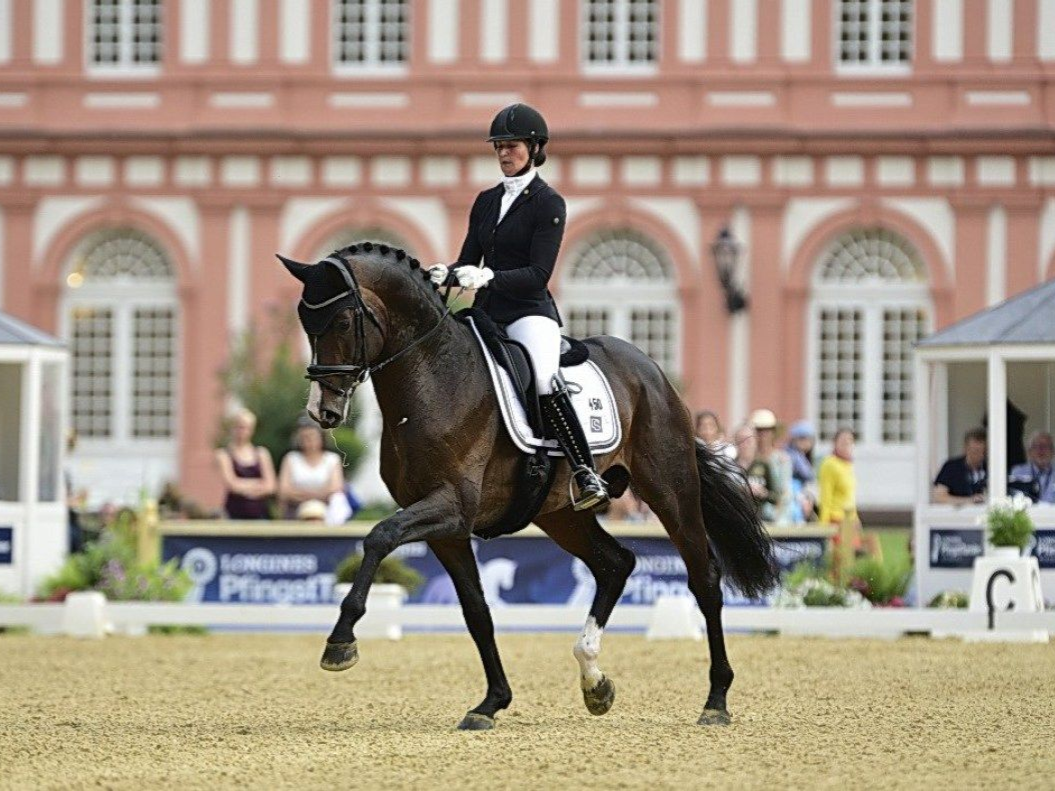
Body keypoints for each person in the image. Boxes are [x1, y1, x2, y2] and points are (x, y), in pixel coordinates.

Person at [427, 103, 607, 511]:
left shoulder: (549, 203)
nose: (504, 154)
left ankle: (584, 472)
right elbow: (469, 258)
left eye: (512, 146)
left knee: (544, 379)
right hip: (487, 311)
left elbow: (538, 273)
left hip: (529, 313)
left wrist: (488, 276)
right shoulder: (486, 201)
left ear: (534, 148)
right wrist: (444, 273)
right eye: (499, 147)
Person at [215, 409, 276, 520]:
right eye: (239, 427)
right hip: (234, 513)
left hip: (260, 513)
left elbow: (270, 486)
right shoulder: (224, 454)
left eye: (245, 427)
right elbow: (232, 484)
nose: (241, 431)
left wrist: (243, 486)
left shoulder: (261, 453)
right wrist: (258, 483)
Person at [278, 420, 344, 520]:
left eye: (312, 437)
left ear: (321, 438)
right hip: (296, 508)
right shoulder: (291, 458)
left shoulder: (332, 459)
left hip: (326, 509)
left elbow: (336, 487)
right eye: (304, 437)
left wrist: (313, 496)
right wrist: (308, 497)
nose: (309, 441)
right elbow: (284, 490)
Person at [751, 409, 791, 523]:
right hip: (751, 515)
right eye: (759, 430)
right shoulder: (748, 458)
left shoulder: (782, 459)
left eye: (767, 430)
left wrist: (779, 517)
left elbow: (784, 492)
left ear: (773, 432)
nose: (763, 434)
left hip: (776, 515)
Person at [932, 427, 988, 504]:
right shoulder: (951, 467)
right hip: (957, 514)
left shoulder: (990, 468)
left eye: (983, 451)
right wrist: (969, 501)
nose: (980, 455)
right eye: (975, 451)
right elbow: (939, 497)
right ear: (965, 448)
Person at [734, 423, 776, 515]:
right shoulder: (729, 466)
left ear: (755, 441)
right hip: (736, 516)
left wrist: (763, 493)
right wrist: (740, 489)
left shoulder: (764, 465)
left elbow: (775, 497)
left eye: (748, 440)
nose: (745, 444)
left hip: (761, 516)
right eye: (741, 440)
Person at [1008, 431, 1055, 504]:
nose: (1041, 450)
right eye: (1036, 446)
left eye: (1045, 446)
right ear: (1029, 451)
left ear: (1052, 451)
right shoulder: (1018, 472)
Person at [785, 420, 817, 522]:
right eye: (803, 438)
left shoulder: (801, 455)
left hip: (801, 494)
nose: (808, 442)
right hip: (793, 494)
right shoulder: (793, 455)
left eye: (809, 439)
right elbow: (808, 475)